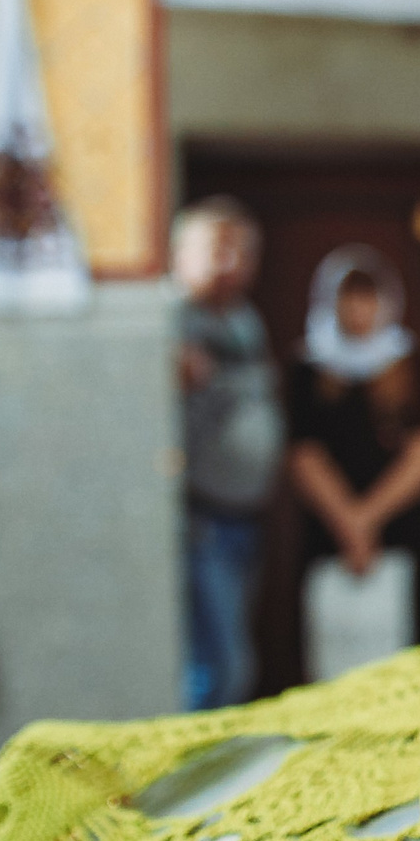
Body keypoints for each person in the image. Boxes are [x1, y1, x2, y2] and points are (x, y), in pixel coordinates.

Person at [287, 246, 420, 669]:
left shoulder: (408, 361)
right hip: (331, 538)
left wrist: (367, 518)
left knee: (408, 656)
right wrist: (348, 523)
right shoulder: (308, 366)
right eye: (349, 297)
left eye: (368, 297)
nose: (359, 309)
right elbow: (304, 453)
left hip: (400, 533)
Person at [174, 197, 283, 709]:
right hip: (202, 520)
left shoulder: (243, 320)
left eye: (244, 251)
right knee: (219, 668)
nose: (232, 262)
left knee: (235, 660)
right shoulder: (171, 320)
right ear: (180, 252)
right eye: (218, 248)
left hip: (244, 516)